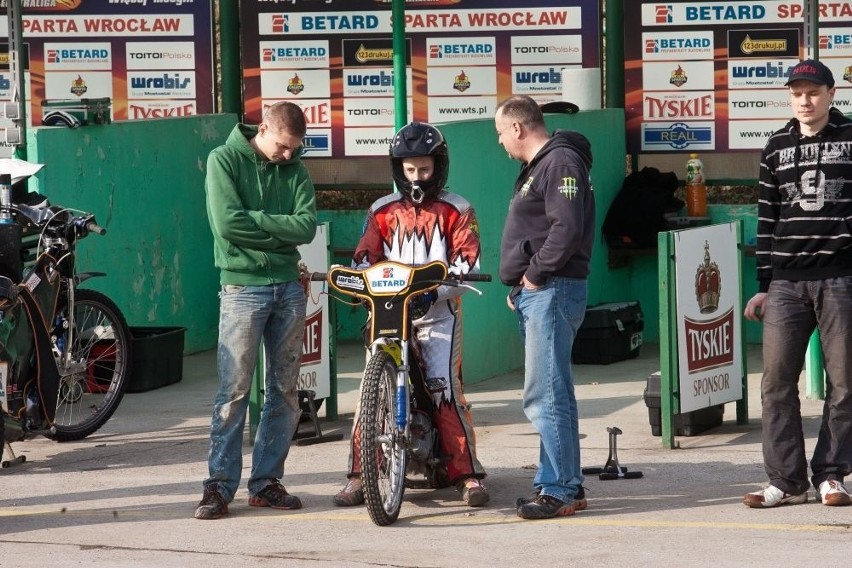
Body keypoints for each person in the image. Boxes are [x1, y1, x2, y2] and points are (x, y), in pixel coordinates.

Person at [333, 121, 490, 508]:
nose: (417, 176)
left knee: (444, 389)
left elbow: (468, 261)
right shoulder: (381, 210)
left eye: (424, 168)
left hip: (439, 314)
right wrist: (358, 283)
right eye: (409, 169)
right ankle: (359, 474)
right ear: (397, 168)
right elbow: (364, 258)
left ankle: (466, 473)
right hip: (388, 311)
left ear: (439, 166)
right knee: (370, 394)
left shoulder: (458, 209)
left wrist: (435, 292)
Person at [195, 101, 317, 520]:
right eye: (283, 146)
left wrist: (258, 221)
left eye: (294, 148)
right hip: (243, 288)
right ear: (263, 128)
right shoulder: (223, 160)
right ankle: (218, 486)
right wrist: (280, 236)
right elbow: (226, 224)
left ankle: (266, 482)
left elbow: (305, 227)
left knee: (284, 390)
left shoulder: (297, 169)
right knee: (233, 390)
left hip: (288, 288)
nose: (289, 155)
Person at [742, 59, 852, 509]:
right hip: (786, 283)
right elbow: (767, 221)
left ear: (830, 94)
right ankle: (786, 481)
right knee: (775, 384)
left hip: (841, 278)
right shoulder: (775, 146)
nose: (804, 101)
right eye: (796, 93)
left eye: (812, 92)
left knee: (844, 383)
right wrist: (764, 284)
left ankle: (831, 474)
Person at [494, 95, 595, 520]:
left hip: (552, 288)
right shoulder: (542, 166)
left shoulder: (560, 163)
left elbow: (565, 228)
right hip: (539, 290)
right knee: (553, 391)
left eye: (500, 133)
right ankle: (559, 482)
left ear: (518, 128)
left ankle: (558, 490)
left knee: (545, 393)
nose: (500, 142)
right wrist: (522, 282)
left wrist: (535, 275)